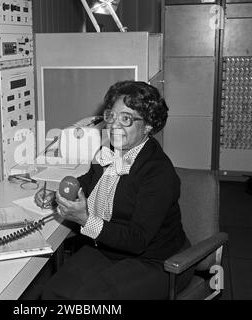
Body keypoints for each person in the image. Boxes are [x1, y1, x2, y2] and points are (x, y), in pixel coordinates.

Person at [35, 80, 194, 300]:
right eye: (112, 116)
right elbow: (90, 180)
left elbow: (137, 240)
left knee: (86, 301)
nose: (114, 125)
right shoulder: (111, 149)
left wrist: (84, 219)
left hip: (156, 261)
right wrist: (59, 195)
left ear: (148, 125)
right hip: (110, 247)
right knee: (53, 293)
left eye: (126, 118)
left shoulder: (158, 173)